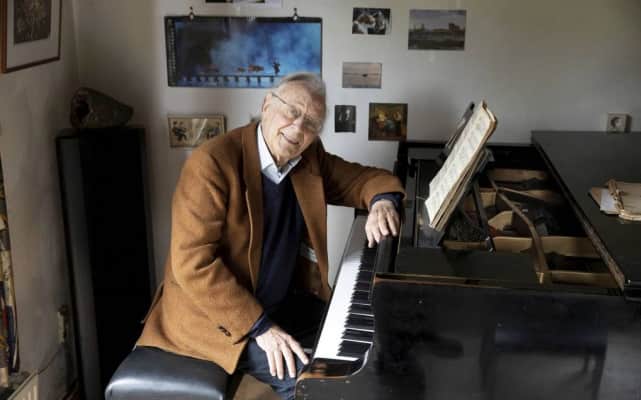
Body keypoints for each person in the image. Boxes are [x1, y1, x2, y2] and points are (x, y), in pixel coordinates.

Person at [136, 72, 404, 399]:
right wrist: (262, 327)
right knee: (315, 386)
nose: (298, 128)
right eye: (292, 111)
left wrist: (382, 202)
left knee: (366, 338)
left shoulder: (307, 157)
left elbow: (363, 179)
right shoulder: (212, 163)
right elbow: (193, 265)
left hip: (278, 302)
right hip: (215, 314)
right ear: (267, 105)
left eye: (311, 123)